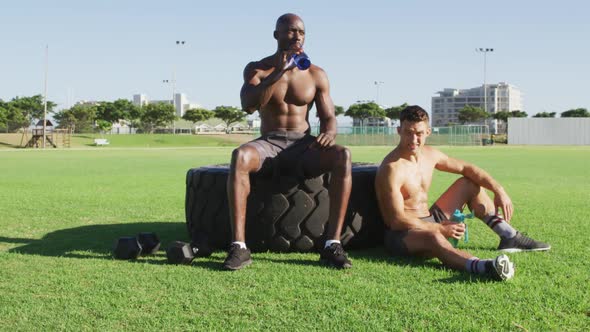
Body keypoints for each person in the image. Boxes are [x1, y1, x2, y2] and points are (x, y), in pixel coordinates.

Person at [223, 13, 352, 270]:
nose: (297, 36)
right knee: (240, 156)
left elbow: (329, 118)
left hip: (303, 146)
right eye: (291, 31)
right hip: (268, 144)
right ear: (277, 35)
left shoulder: (316, 74)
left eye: (301, 32)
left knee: (342, 155)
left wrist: (329, 132)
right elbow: (248, 104)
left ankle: (332, 244)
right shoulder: (258, 68)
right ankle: (239, 247)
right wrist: (279, 72)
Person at [375, 105, 550, 280]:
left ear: (428, 132)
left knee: (468, 184)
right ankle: (485, 267)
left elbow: (467, 168)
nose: (413, 139)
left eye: (419, 133)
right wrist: (440, 228)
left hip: (428, 218)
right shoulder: (392, 168)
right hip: (402, 234)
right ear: (399, 131)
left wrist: (499, 190)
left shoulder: (430, 154)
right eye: (408, 132)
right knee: (434, 237)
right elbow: (396, 220)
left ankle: (509, 236)